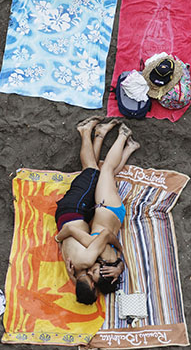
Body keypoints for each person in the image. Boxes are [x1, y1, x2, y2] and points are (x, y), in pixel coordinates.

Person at [54, 119, 138, 304]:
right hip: (104, 209)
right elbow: (106, 247)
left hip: (80, 211)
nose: (93, 272)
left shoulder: (87, 261)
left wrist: (58, 240)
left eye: (92, 277)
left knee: (99, 171)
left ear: (91, 285)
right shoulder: (87, 263)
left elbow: (95, 241)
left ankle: (102, 135)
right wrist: (120, 264)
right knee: (102, 172)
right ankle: (120, 137)